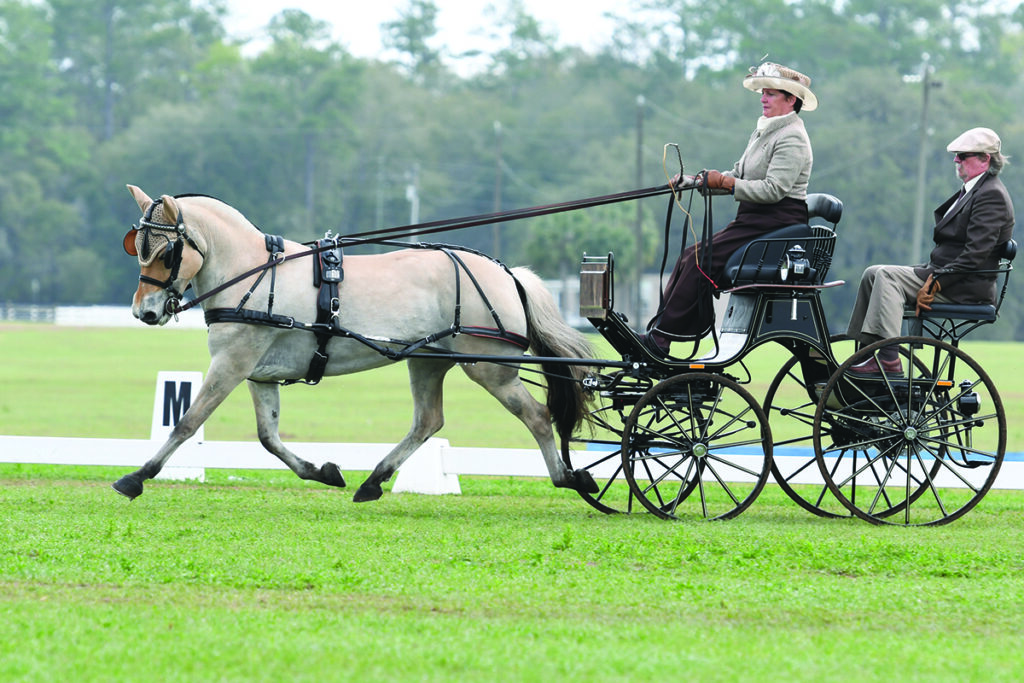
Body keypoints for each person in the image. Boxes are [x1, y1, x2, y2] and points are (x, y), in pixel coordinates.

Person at [644, 61, 817, 357]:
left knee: (700, 260)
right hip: (754, 219)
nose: (763, 98)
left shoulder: (793, 138)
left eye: (771, 94)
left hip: (776, 223)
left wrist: (725, 182)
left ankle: (662, 339)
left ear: (791, 100)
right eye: (763, 93)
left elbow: (773, 189)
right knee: (690, 256)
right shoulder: (764, 131)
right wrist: (693, 181)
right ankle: (660, 332)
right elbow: (737, 173)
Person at [846, 127, 1015, 375]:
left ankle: (889, 360)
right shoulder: (974, 190)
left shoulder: (992, 195)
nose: (956, 160)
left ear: (985, 159)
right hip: (943, 274)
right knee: (873, 273)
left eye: (963, 155)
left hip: (963, 286)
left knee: (886, 276)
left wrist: (937, 281)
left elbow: (975, 255)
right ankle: (864, 354)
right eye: (957, 155)